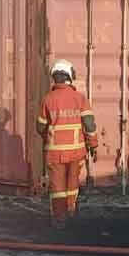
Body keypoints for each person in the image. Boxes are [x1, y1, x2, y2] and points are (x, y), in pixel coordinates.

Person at [36, 60, 98, 229]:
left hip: (55, 154)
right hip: (77, 152)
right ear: (70, 76)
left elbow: (40, 126)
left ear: (54, 78)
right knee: (72, 184)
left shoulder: (47, 99)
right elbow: (89, 125)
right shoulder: (80, 98)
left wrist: (47, 136)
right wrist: (93, 145)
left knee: (57, 187)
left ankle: (59, 220)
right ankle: (70, 211)